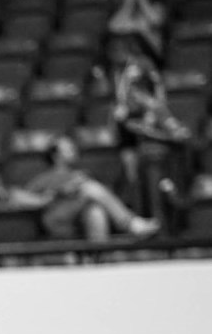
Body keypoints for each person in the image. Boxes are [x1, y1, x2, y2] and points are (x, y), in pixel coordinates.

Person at [110, 35, 192, 227]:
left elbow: (180, 134)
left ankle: (165, 220)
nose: (133, 94)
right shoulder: (130, 116)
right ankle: (150, 222)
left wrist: (160, 132)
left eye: (136, 89)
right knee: (142, 169)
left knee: (155, 162)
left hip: (165, 159)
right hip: (146, 158)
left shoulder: (158, 108)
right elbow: (130, 128)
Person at [22, 135, 158, 239]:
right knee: (88, 188)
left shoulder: (81, 174)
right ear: (56, 155)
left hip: (79, 217)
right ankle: (130, 223)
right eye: (68, 148)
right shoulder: (44, 177)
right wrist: (57, 193)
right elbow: (23, 198)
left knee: (95, 210)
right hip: (55, 217)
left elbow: (104, 196)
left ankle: (99, 258)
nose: (74, 150)